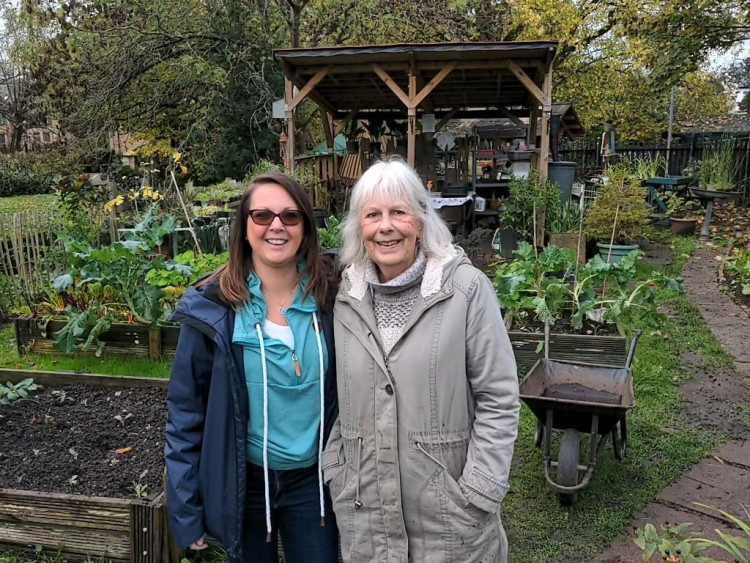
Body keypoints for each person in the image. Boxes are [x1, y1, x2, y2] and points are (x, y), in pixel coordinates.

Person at [322, 157, 520, 562]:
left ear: (421, 221)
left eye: (398, 212)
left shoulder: (465, 290)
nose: (386, 226)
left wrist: (480, 487)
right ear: (359, 227)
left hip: (449, 515)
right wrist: (336, 466)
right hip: (367, 510)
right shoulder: (344, 297)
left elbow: (499, 397)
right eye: (372, 214)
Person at [165, 172, 340, 563]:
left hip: (315, 483)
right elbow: (185, 414)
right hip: (244, 483)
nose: (276, 226)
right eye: (262, 215)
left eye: (290, 216)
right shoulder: (212, 309)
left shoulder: (334, 299)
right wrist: (186, 508)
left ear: (306, 229)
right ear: (244, 228)